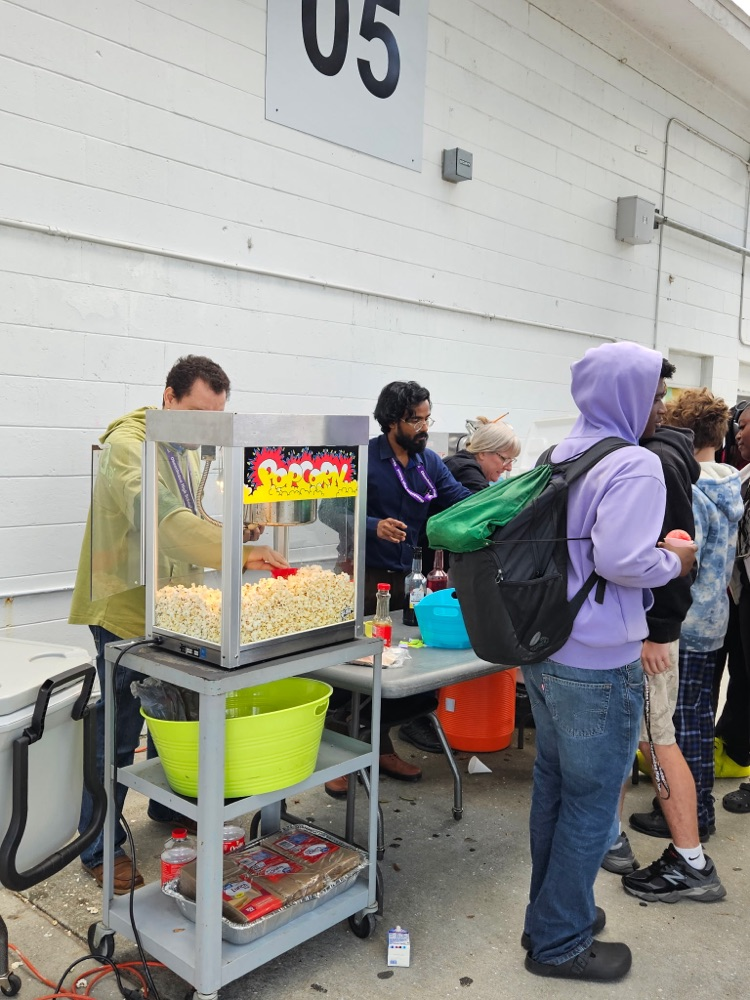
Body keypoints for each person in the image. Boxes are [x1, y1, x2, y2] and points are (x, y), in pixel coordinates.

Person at [69, 355, 287, 893]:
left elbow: (196, 517)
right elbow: (166, 522)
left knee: (175, 720)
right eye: (196, 414)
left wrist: (239, 524)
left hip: (173, 610)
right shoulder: (128, 447)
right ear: (168, 398)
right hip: (124, 610)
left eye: (216, 419)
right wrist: (238, 549)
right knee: (118, 735)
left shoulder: (186, 450)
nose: (205, 430)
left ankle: (170, 810)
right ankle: (98, 847)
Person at [521, 342, 695, 982]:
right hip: (598, 660)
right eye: (654, 394)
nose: (659, 408)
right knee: (594, 803)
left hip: (545, 651)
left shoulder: (558, 454)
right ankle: (561, 941)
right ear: (626, 396)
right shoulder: (635, 465)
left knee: (555, 790)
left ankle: (548, 915)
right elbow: (621, 560)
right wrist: (675, 559)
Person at [322, 380, 471, 795]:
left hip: (408, 583)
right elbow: (328, 508)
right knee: (352, 668)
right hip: (362, 578)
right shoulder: (363, 457)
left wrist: (495, 504)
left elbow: (458, 500)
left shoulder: (430, 463)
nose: (423, 427)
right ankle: (338, 759)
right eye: (415, 420)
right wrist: (374, 526)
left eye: (427, 418)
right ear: (391, 421)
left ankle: (380, 745)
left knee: (398, 663)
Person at [658, 390, 742, 841]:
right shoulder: (731, 482)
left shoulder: (691, 489)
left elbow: (683, 562)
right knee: (697, 715)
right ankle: (686, 801)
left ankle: (697, 814)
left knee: (683, 723)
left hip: (687, 623)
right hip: (716, 619)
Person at [714, 402, 750, 811]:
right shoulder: (740, 474)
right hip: (741, 595)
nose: (737, 433)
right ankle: (736, 746)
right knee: (741, 675)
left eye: (744, 426)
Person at [443, 416, 522, 491]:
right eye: (505, 459)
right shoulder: (466, 471)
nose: (509, 468)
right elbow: (487, 504)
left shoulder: (458, 464)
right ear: (483, 452)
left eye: (511, 461)